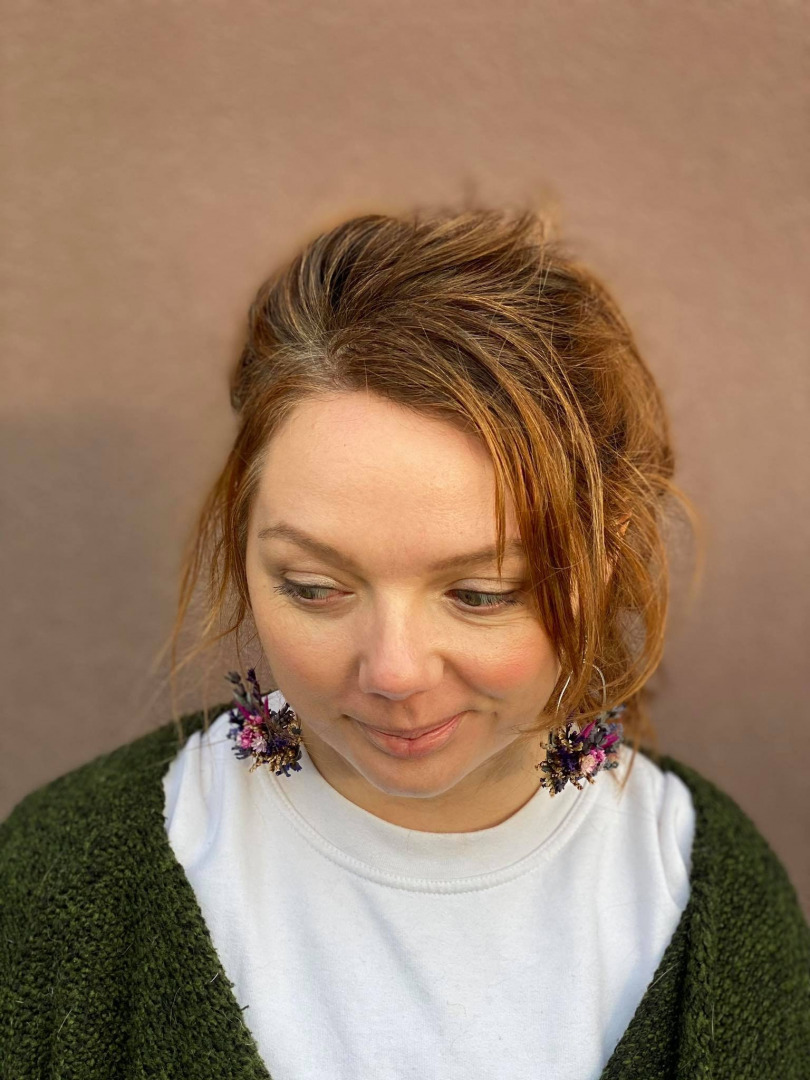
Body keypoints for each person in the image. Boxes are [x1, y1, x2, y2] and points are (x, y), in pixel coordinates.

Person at [2, 206, 808, 1079]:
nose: (392, 672)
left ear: (601, 564)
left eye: (479, 594)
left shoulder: (708, 897)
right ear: (242, 549)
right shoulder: (65, 871)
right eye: (314, 587)